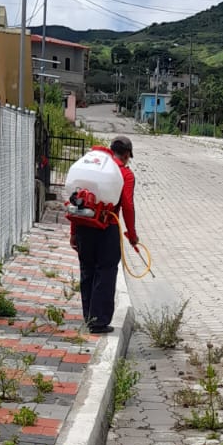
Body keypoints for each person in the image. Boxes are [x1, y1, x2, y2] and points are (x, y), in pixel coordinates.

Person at [69, 135, 139, 334]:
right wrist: (132, 234)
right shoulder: (124, 174)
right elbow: (128, 206)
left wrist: (73, 232)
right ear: (126, 155)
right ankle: (98, 322)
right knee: (105, 272)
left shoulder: (93, 169)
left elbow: (78, 202)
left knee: (87, 270)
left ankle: (89, 317)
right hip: (107, 228)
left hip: (83, 226)